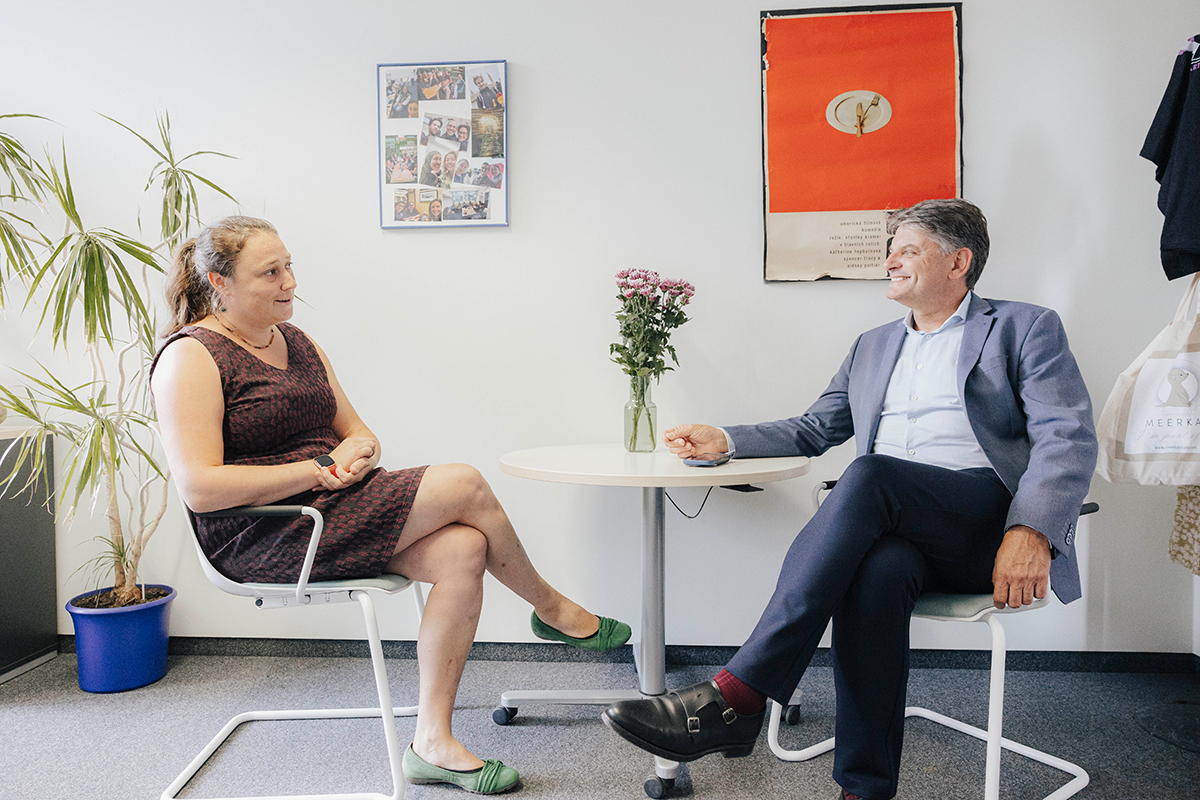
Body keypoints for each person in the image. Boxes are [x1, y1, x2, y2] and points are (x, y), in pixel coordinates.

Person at [601, 199, 1097, 800]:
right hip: (895, 525)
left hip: (984, 525)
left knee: (868, 476)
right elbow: (813, 428)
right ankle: (863, 790)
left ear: (959, 261)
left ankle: (737, 696)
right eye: (892, 250)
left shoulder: (1024, 326)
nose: (890, 260)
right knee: (877, 573)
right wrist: (727, 439)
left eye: (908, 249)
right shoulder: (872, 345)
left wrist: (1033, 531)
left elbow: (1066, 436)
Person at [151, 216, 631, 795]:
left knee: (464, 547)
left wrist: (357, 450)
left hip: (334, 502)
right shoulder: (193, 356)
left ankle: (432, 742)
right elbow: (199, 487)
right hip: (271, 532)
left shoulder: (296, 341)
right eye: (270, 272)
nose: (289, 281)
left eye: (289, 266)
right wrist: (314, 472)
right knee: (464, 484)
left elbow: (357, 431)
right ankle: (551, 608)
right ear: (218, 282)